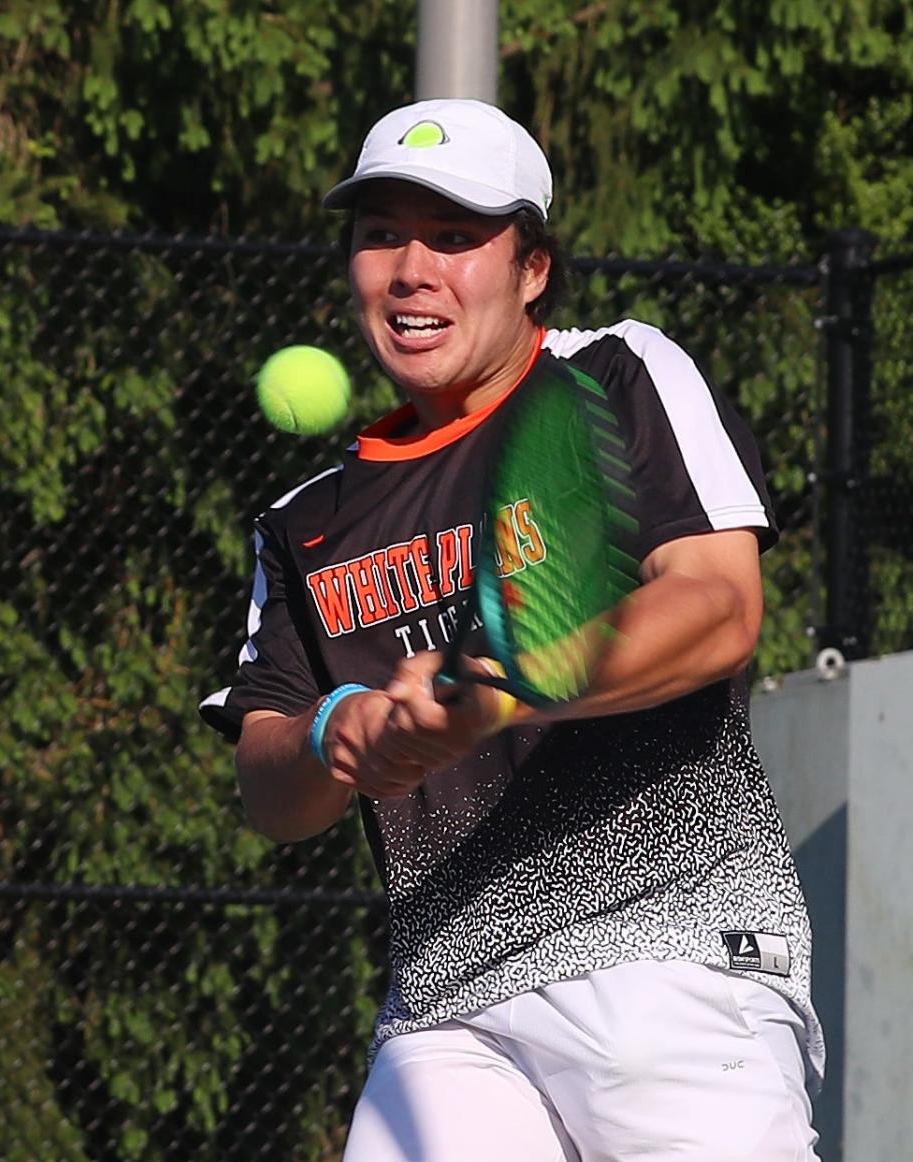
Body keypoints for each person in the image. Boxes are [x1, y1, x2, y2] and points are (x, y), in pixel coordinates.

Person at [200, 98, 824, 1161]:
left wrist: (499, 687)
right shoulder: (305, 523)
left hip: (670, 959)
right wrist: (334, 736)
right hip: (443, 1017)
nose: (410, 269)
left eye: (454, 237)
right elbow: (270, 791)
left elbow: (718, 607)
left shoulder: (616, 377)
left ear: (533, 266)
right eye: (382, 234)